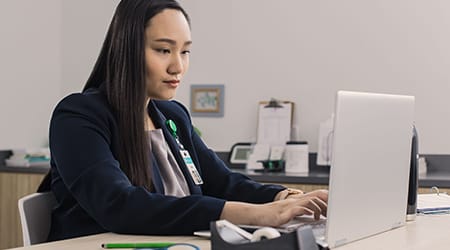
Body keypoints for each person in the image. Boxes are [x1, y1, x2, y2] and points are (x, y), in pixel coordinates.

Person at [40, 0, 328, 241]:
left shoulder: (173, 115)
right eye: (163, 50)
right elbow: (119, 205)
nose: (178, 66)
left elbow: (223, 182)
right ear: (127, 49)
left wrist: (284, 198)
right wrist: (257, 214)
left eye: (185, 51)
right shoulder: (77, 116)